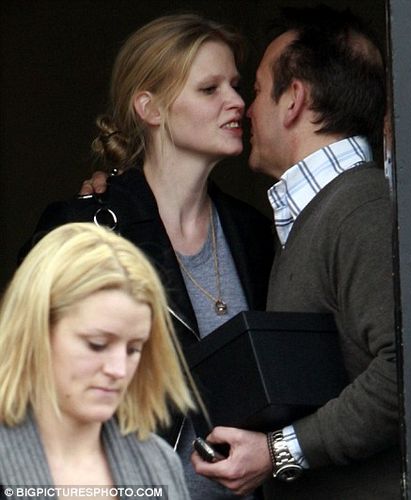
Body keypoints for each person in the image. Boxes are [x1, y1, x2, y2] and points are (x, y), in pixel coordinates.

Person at [22, 14, 274, 500]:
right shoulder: (86, 230)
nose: (238, 102)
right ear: (150, 108)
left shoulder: (254, 233)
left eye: (236, 85)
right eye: (210, 89)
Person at [191, 6, 400, 499]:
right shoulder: (316, 213)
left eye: (257, 90)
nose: (246, 108)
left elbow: (407, 372)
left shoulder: (361, 208)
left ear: (293, 100)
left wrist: (279, 451)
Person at [0, 223, 192, 499]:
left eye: (134, 349)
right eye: (97, 344)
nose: (118, 370)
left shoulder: (159, 463)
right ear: (35, 330)